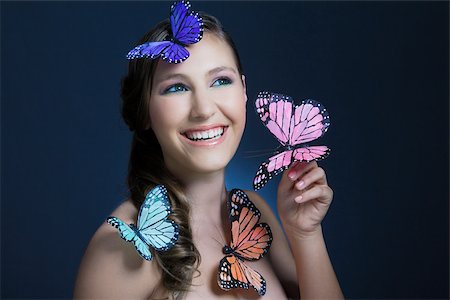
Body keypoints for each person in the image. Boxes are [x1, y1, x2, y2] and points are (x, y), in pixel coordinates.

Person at [73, 9, 344, 300]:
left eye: (220, 81)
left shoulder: (251, 211)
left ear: (244, 90)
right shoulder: (124, 246)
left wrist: (305, 234)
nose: (203, 109)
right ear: (145, 111)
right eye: (177, 87)